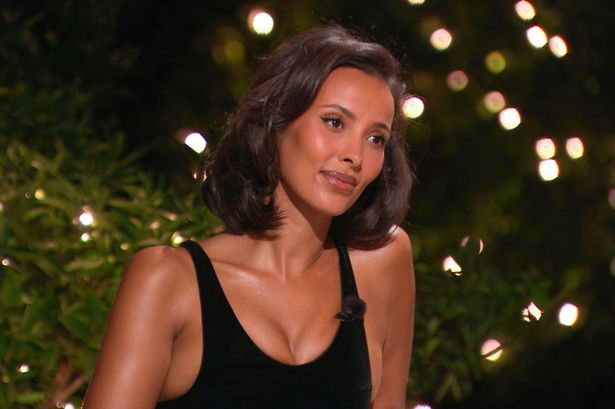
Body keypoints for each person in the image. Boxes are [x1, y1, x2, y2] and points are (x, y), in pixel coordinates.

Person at [83, 25, 415, 409]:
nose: (355, 155)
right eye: (335, 122)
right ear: (277, 122)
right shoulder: (168, 281)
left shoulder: (382, 261)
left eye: (376, 138)